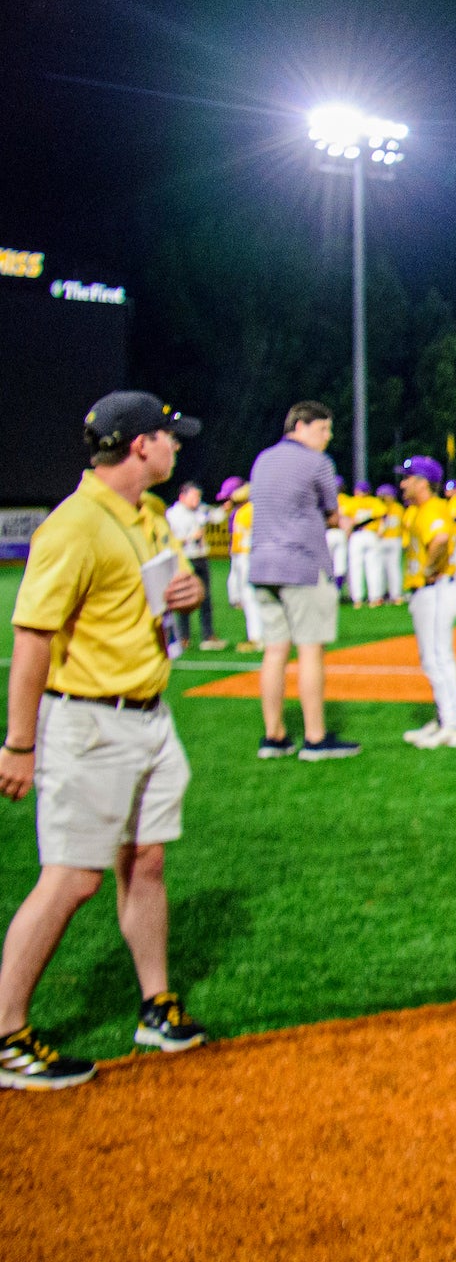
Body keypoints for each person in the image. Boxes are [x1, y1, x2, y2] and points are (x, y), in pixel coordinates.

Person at [0, 392, 212, 1089]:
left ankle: (155, 1005)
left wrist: (180, 597)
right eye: (168, 436)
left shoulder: (146, 514)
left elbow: (164, 587)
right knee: (71, 879)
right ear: (139, 445)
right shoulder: (75, 525)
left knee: (146, 860)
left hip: (150, 715)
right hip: (88, 720)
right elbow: (31, 638)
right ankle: (6, 1035)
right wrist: (20, 743)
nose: (177, 446)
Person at [248, 401, 359, 761]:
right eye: (323, 429)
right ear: (301, 425)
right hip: (302, 565)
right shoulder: (317, 463)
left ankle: (274, 736)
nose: (327, 438)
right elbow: (331, 513)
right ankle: (315, 738)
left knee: (274, 650)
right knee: (311, 649)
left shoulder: (263, 459)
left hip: (262, 565)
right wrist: (342, 524)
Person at [397, 458, 456, 750]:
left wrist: (428, 570)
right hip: (428, 591)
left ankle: (454, 725)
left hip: (436, 589)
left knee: (438, 657)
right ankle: (444, 720)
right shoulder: (418, 510)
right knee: (432, 658)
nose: (403, 483)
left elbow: (439, 539)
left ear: (422, 482)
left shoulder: (433, 509)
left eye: (408, 477)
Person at [164, 480, 218, 651]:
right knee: (184, 598)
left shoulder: (200, 510)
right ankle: (184, 637)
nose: (197, 500)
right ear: (183, 496)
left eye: (198, 496)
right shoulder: (173, 515)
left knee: (206, 597)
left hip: (200, 556)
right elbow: (170, 541)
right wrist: (190, 538)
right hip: (184, 558)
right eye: (193, 496)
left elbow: (216, 516)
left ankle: (208, 636)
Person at [221, 479, 261, 653]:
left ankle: (256, 637)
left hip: (248, 556)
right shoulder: (244, 510)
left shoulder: (250, 510)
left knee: (250, 597)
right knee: (250, 597)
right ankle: (257, 635)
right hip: (244, 555)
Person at [372, 482, 407, 607]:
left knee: (381, 569)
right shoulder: (398, 508)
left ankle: (380, 596)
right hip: (393, 541)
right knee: (391, 569)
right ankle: (394, 596)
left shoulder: (380, 507)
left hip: (386, 540)